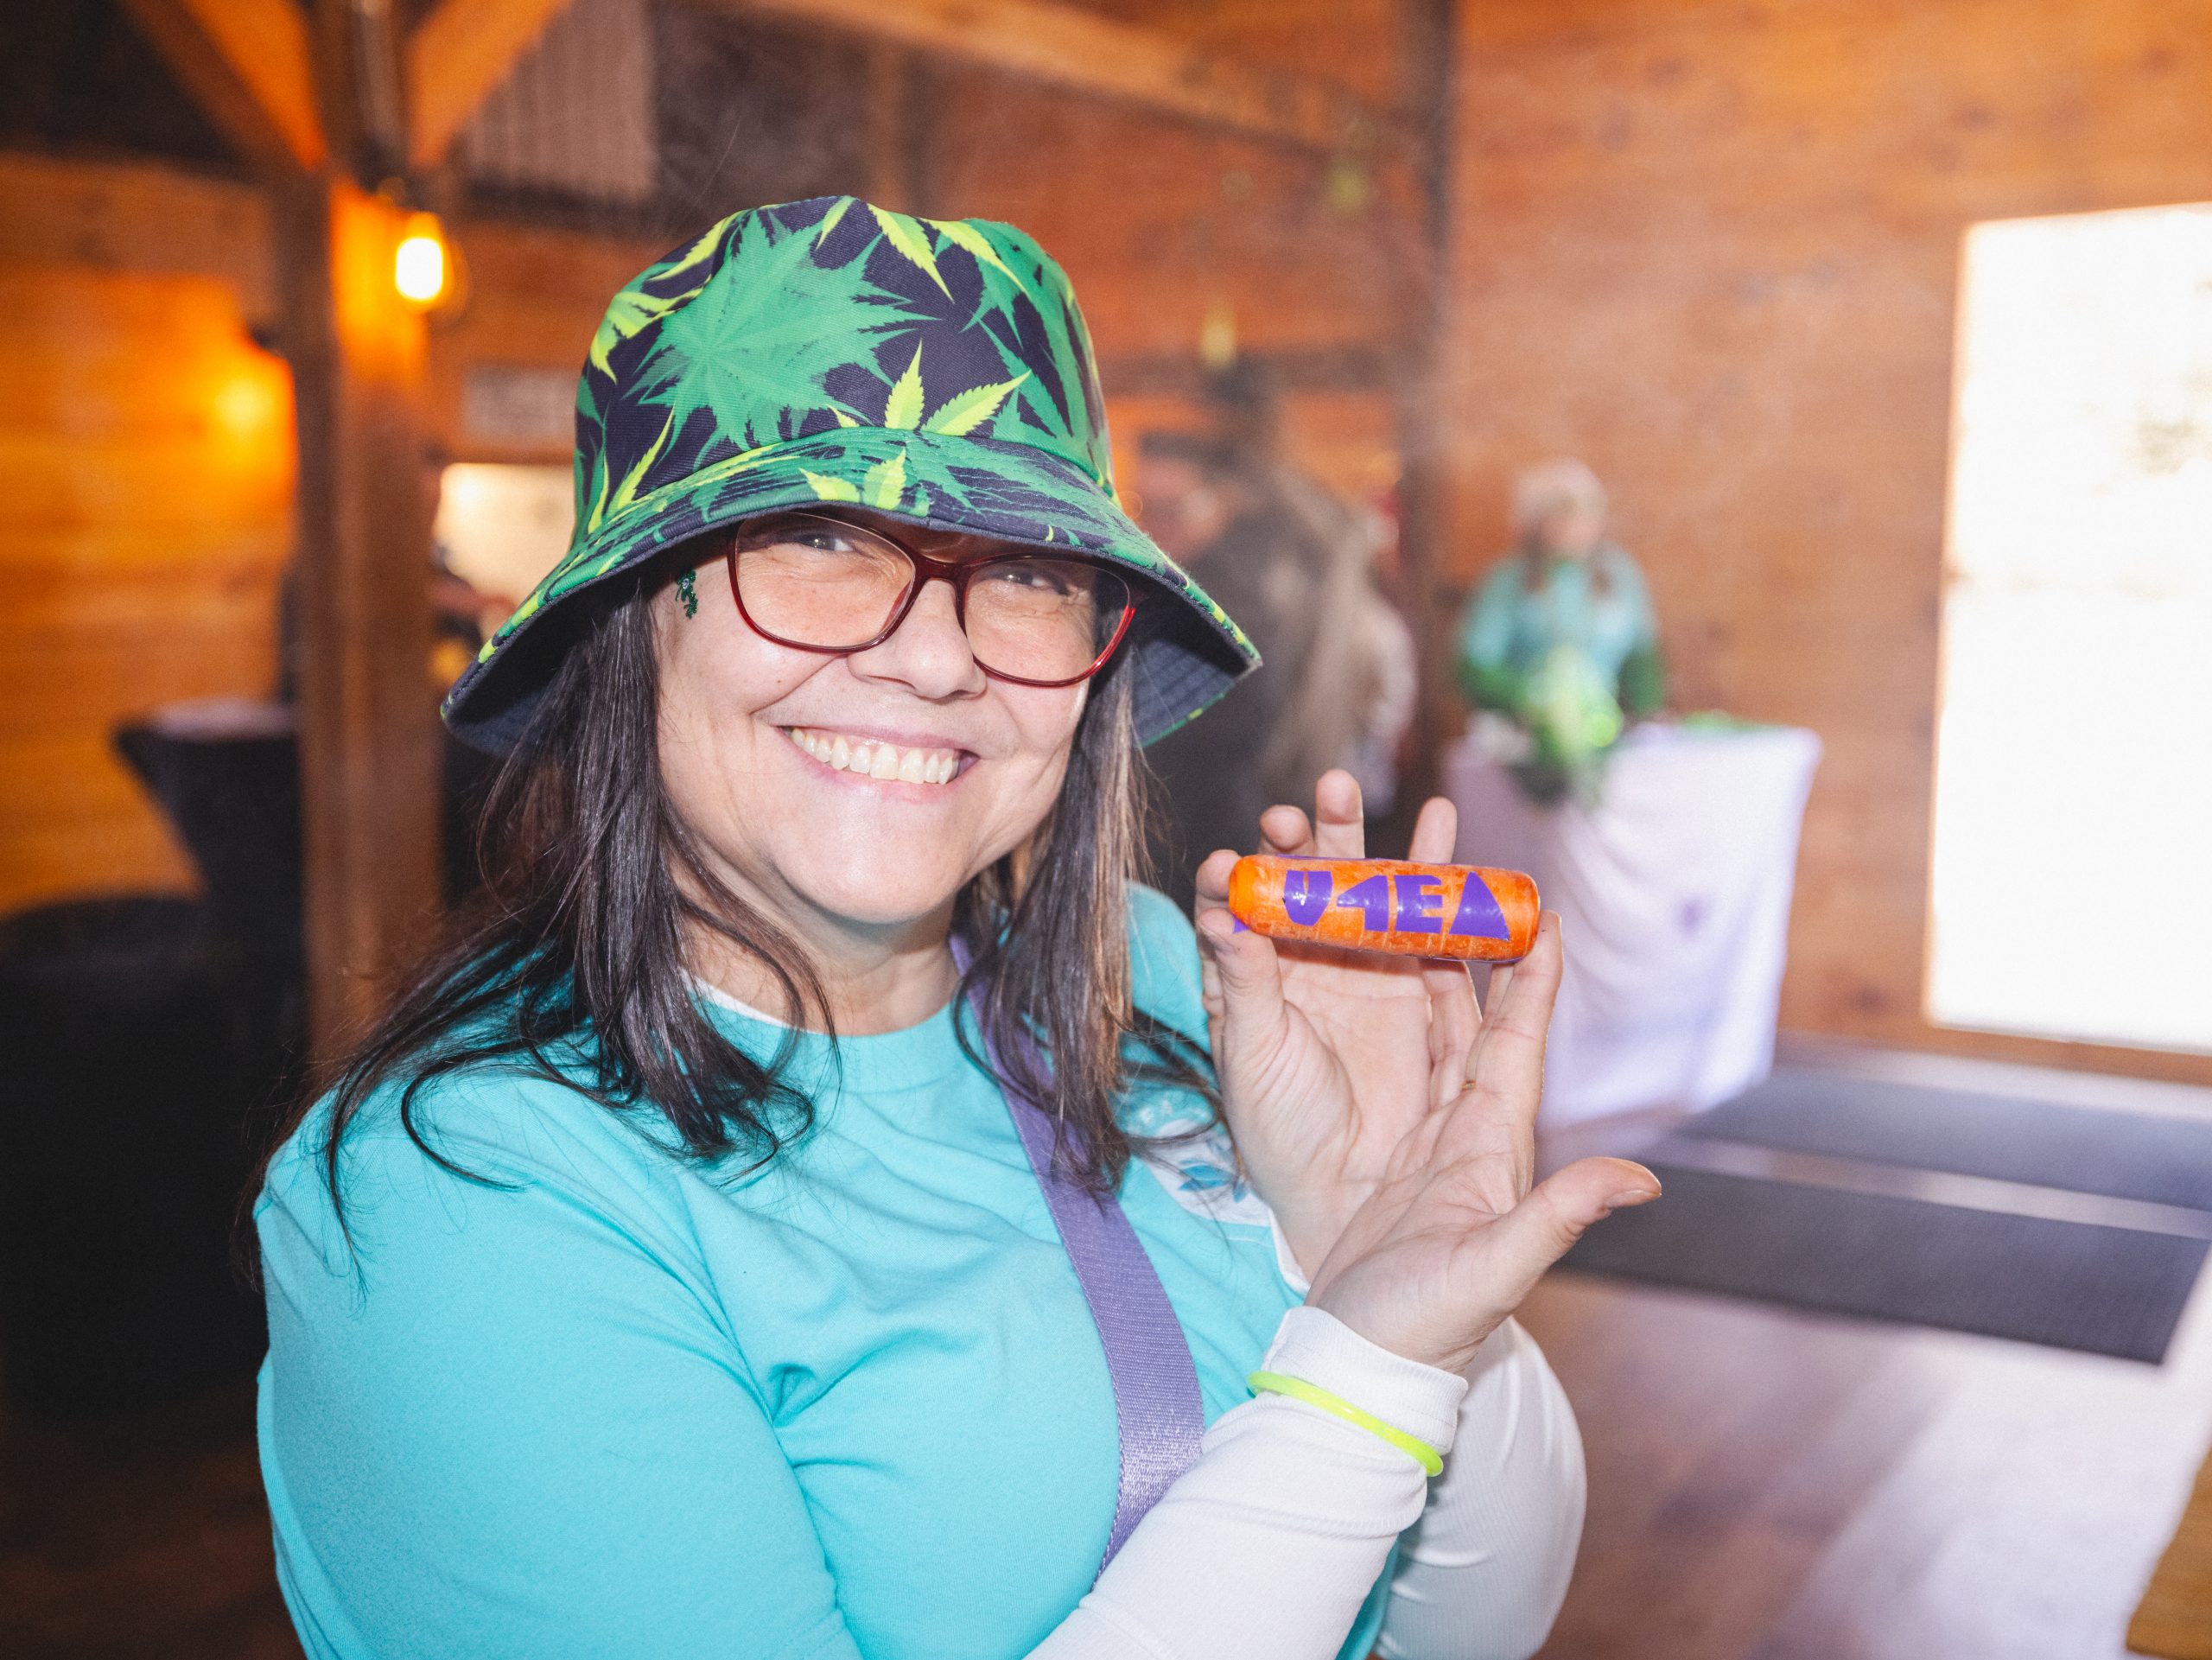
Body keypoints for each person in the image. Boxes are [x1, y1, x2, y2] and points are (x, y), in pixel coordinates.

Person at [252, 197, 1658, 1660]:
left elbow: (1455, 1632)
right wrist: (1360, 1374)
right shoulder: (457, 1200)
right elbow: (1357, 1432)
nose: (933, 657)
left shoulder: (1159, 975)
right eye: (814, 537)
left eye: (1033, 571)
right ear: (634, 617)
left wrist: (1374, 1250)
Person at [1457, 459, 1665, 805]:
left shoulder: (1618, 575)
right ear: (1536, 521)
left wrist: (1646, 711)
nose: (1576, 526)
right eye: (1563, 515)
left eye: (1586, 514)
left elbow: (1641, 655)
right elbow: (1474, 664)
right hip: (1531, 737)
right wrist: (1532, 700)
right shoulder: (1510, 581)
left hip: (1606, 734)